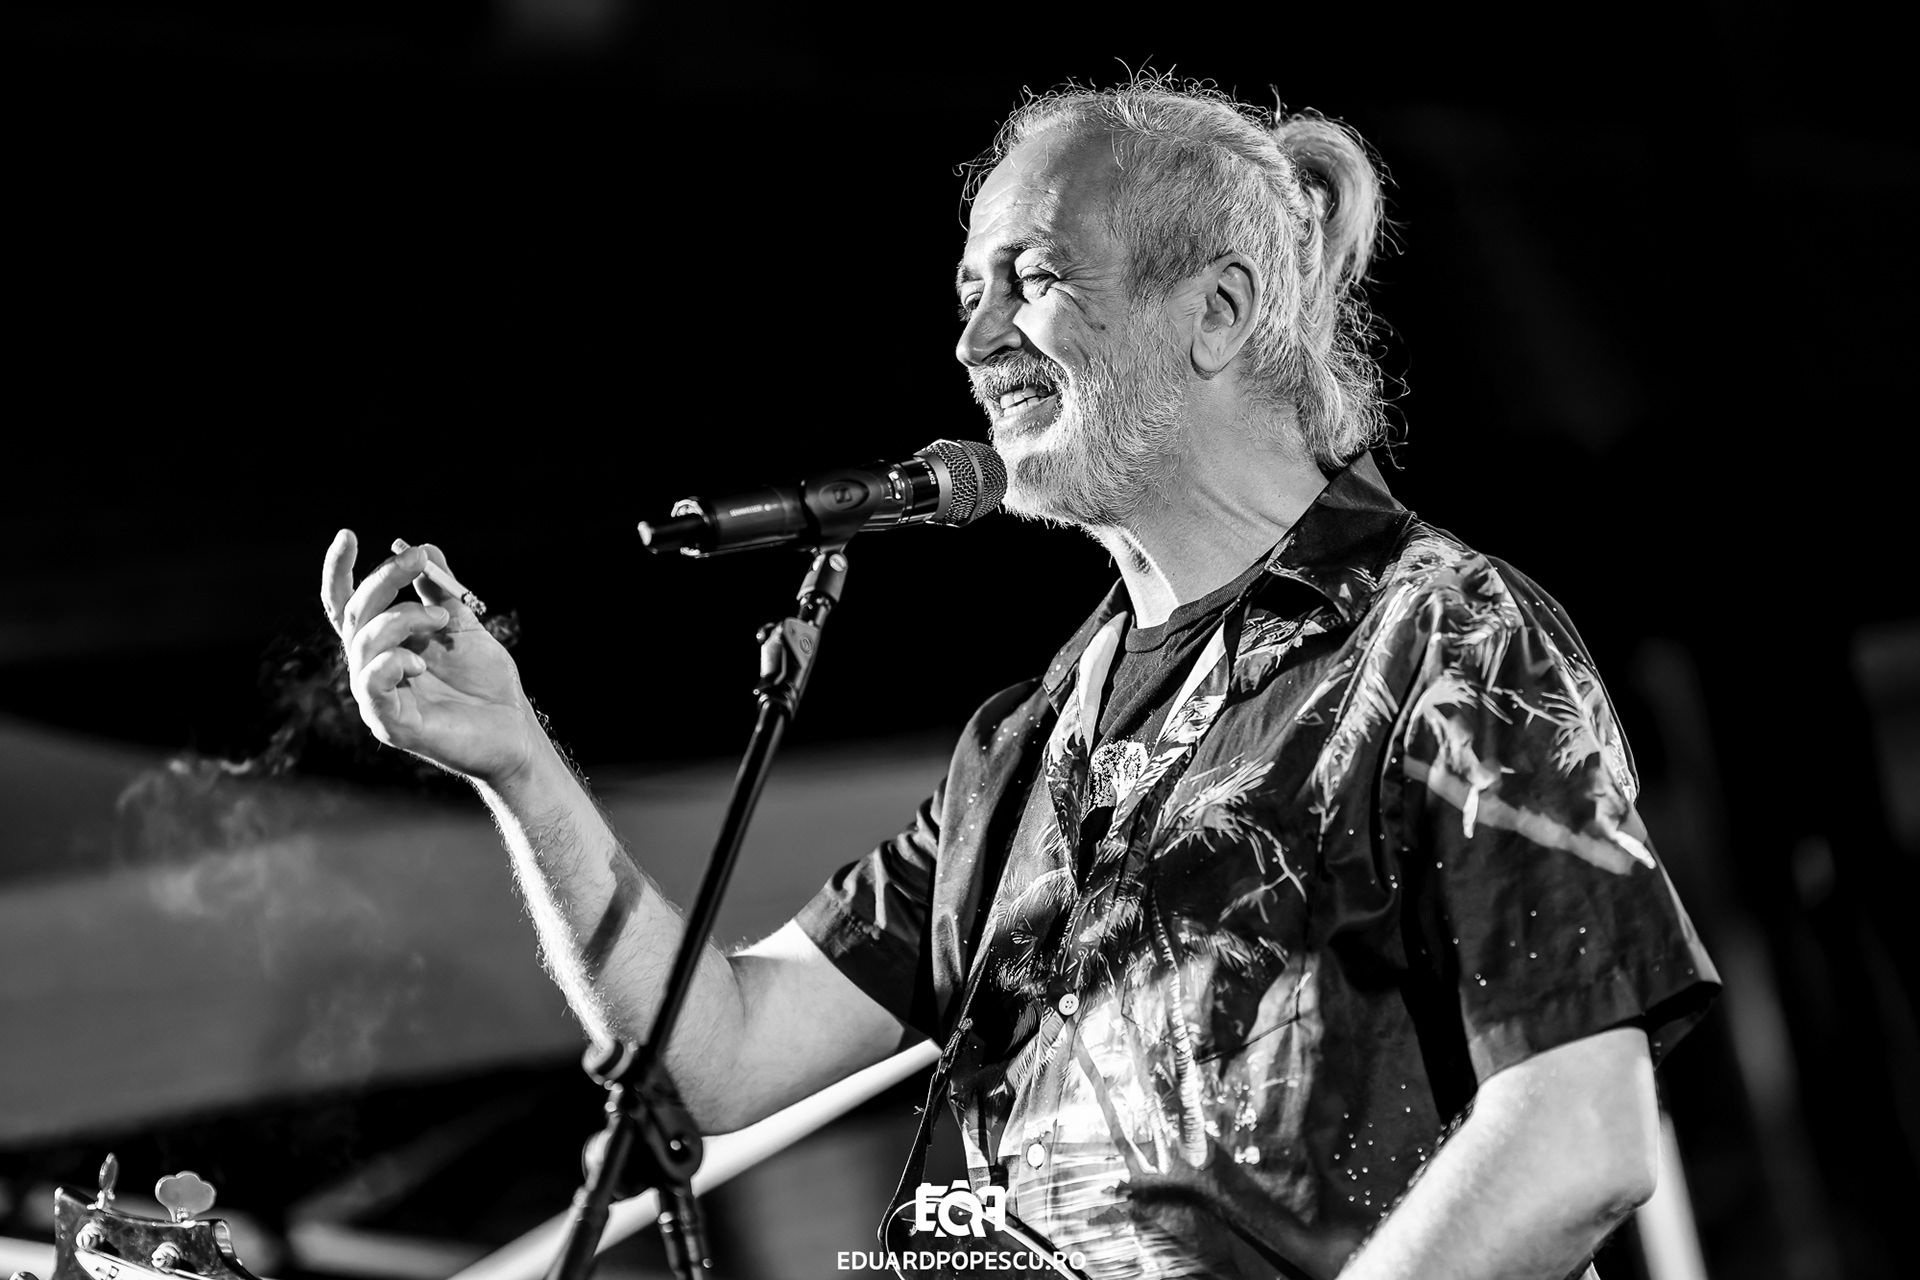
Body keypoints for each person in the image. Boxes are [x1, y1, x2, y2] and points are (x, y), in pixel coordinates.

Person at [322, 79, 1718, 1280]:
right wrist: (520, 763)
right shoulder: (1033, 745)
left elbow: (1577, 1139)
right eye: (966, 295)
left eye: (1031, 279)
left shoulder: (1437, 638)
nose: (973, 342)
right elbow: (722, 1054)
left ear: (1218, 310)